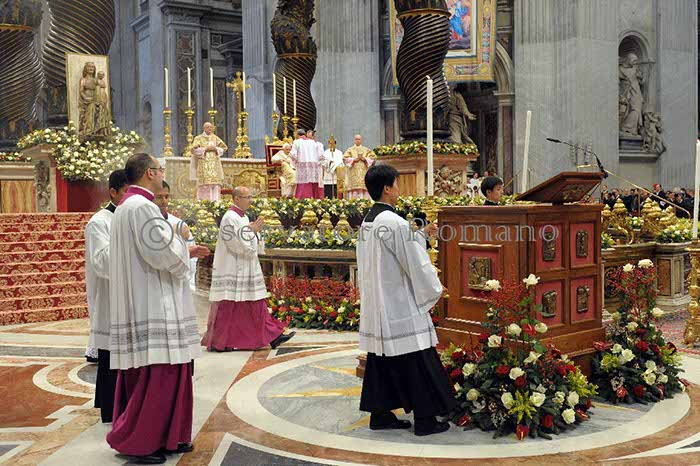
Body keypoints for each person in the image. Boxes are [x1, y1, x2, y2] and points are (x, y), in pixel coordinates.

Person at [106, 153, 208, 464]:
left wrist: (180, 248)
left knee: (158, 372)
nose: (162, 174)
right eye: (160, 169)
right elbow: (161, 252)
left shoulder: (126, 207)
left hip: (141, 299)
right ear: (150, 173)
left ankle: (167, 436)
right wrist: (186, 249)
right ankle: (143, 442)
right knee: (160, 373)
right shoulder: (143, 207)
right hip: (154, 301)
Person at [358, 164, 456, 437]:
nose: (399, 189)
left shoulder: (369, 221)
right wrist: (433, 285)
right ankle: (425, 420)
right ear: (387, 188)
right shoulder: (394, 222)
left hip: (379, 302)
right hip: (399, 302)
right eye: (397, 184)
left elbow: (393, 251)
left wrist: (421, 235)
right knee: (417, 357)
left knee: (381, 358)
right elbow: (413, 261)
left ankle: (380, 414)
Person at [202, 186, 295, 352]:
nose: (250, 201)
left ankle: (272, 335)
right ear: (236, 199)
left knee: (253, 303)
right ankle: (220, 341)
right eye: (247, 197)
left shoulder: (243, 217)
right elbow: (235, 244)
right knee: (230, 305)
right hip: (233, 267)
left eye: (251, 197)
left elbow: (247, 239)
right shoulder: (229, 218)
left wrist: (253, 232)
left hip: (245, 266)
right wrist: (251, 231)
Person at [85, 169, 129, 422]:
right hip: (110, 299)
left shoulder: (133, 217)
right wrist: (125, 236)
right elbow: (101, 263)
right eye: (126, 192)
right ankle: (111, 410)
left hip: (131, 297)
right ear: (113, 192)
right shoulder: (99, 222)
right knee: (111, 357)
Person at [154, 180, 198, 287]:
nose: (164, 201)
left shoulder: (179, 223)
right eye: (159, 197)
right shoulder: (147, 223)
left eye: (166, 197)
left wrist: (187, 254)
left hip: (177, 283)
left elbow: (192, 256)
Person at [190, 122, 227, 201]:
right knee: (204, 185)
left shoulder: (215, 138)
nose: (210, 128)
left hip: (214, 166)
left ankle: (215, 202)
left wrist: (215, 149)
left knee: (215, 185)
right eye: (208, 127)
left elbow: (224, 148)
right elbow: (193, 150)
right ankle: (203, 202)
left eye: (211, 127)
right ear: (204, 128)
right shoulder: (198, 138)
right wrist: (205, 149)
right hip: (204, 165)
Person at [290, 129, 324, 199]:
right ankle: (314, 199)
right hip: (313, 165)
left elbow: (293, 155)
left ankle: (303, 199)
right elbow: (320, 156)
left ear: (297, 135)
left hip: (302, 164)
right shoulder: (313, 142)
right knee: (313, 182)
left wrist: (295, 162)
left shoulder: (296, 142)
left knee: (303, 183)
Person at [343, 134, 375, 199]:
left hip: (363, 172)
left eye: (359, 139)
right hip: (353, 173)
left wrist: (365, 159)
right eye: (356, 139)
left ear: (361, 140)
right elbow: (344, 158)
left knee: (364, 188)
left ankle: (365, 201)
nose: (358, 140)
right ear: (354, 140)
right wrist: (353, 160)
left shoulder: (366, 149)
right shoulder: (350, 149)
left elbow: (373, 158)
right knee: (354, 190)